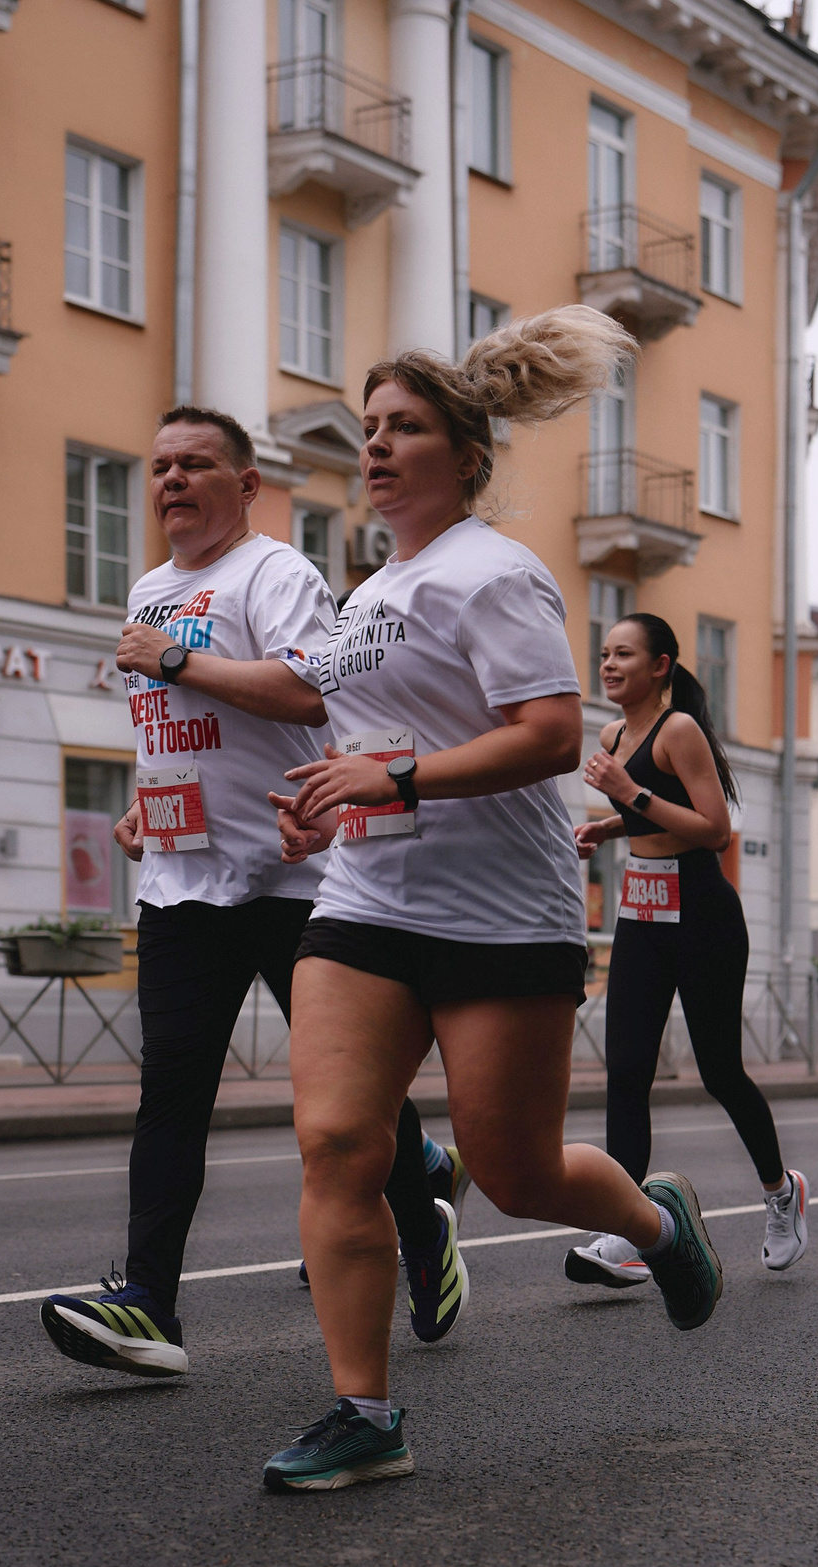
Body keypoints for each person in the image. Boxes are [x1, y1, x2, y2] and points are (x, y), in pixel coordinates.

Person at [258, 306, 725, 1492]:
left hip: (502, 913)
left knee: (514, 1174)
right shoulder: (367, 595)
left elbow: (551, 735)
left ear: (464, 457)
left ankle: (658, 1221)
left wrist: (396, 772)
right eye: (366, 427)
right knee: (335, 1143)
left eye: (401, 427)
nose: (373, 447)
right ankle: (364, 1411)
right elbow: (364, 739)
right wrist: (323, 798)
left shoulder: (497, 571)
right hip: (366, 900)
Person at [36, 406, 462, 1380]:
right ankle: (147, 1301)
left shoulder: (275, 573)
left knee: (348, 1103)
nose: (173, 480)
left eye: (196, 464)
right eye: (160, 466)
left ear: (245, 485)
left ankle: (422, 1195)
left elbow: (319, 692)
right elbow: (175, 729)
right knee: (170, 1097)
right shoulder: (149, 587)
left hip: (300, 880)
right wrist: (150, 809)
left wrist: (178, 656)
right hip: (185, 885)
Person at [564, 613, 808, 1289]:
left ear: (660, 666)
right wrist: (610, 827)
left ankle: (782, 1193)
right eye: (605, 653)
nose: (609, 664)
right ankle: (627, 1228)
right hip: (642, 913)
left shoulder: (679, 731)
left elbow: (713, 828)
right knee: (626, 1073)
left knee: (720, 1071)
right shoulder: (614, 732)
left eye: (625, 654)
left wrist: (627, 793)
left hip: (701, 913)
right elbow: (648, 815)